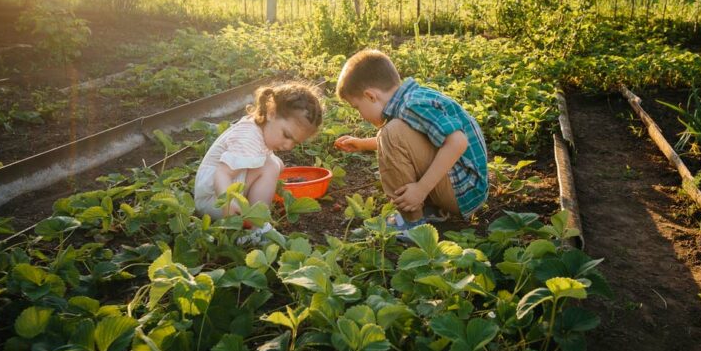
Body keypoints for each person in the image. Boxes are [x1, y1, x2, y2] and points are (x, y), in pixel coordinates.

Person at [333, 49, 488, 238]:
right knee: (392, 132)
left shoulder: (411, 105)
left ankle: (411, 221)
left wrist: (420, 190)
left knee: (391, 132)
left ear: (371, 96)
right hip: (465, 186)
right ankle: (433, 211)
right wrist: (362, 144)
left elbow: (457, 141)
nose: (360, 115)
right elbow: (412, 144)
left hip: (463, 190)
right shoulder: (412, 99)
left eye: (357, 108)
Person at [194, 82, 323, 237]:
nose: (289, 146)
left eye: (295, 143)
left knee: (276, 164)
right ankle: (256, 229)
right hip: (213, 199)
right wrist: (228, 202)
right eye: (287, 136)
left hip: (218, 193)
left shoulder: (261, 127)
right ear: (272, 112)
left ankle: (254, 214)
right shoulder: (248, 137)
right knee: (270, 167)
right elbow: (222, 173)